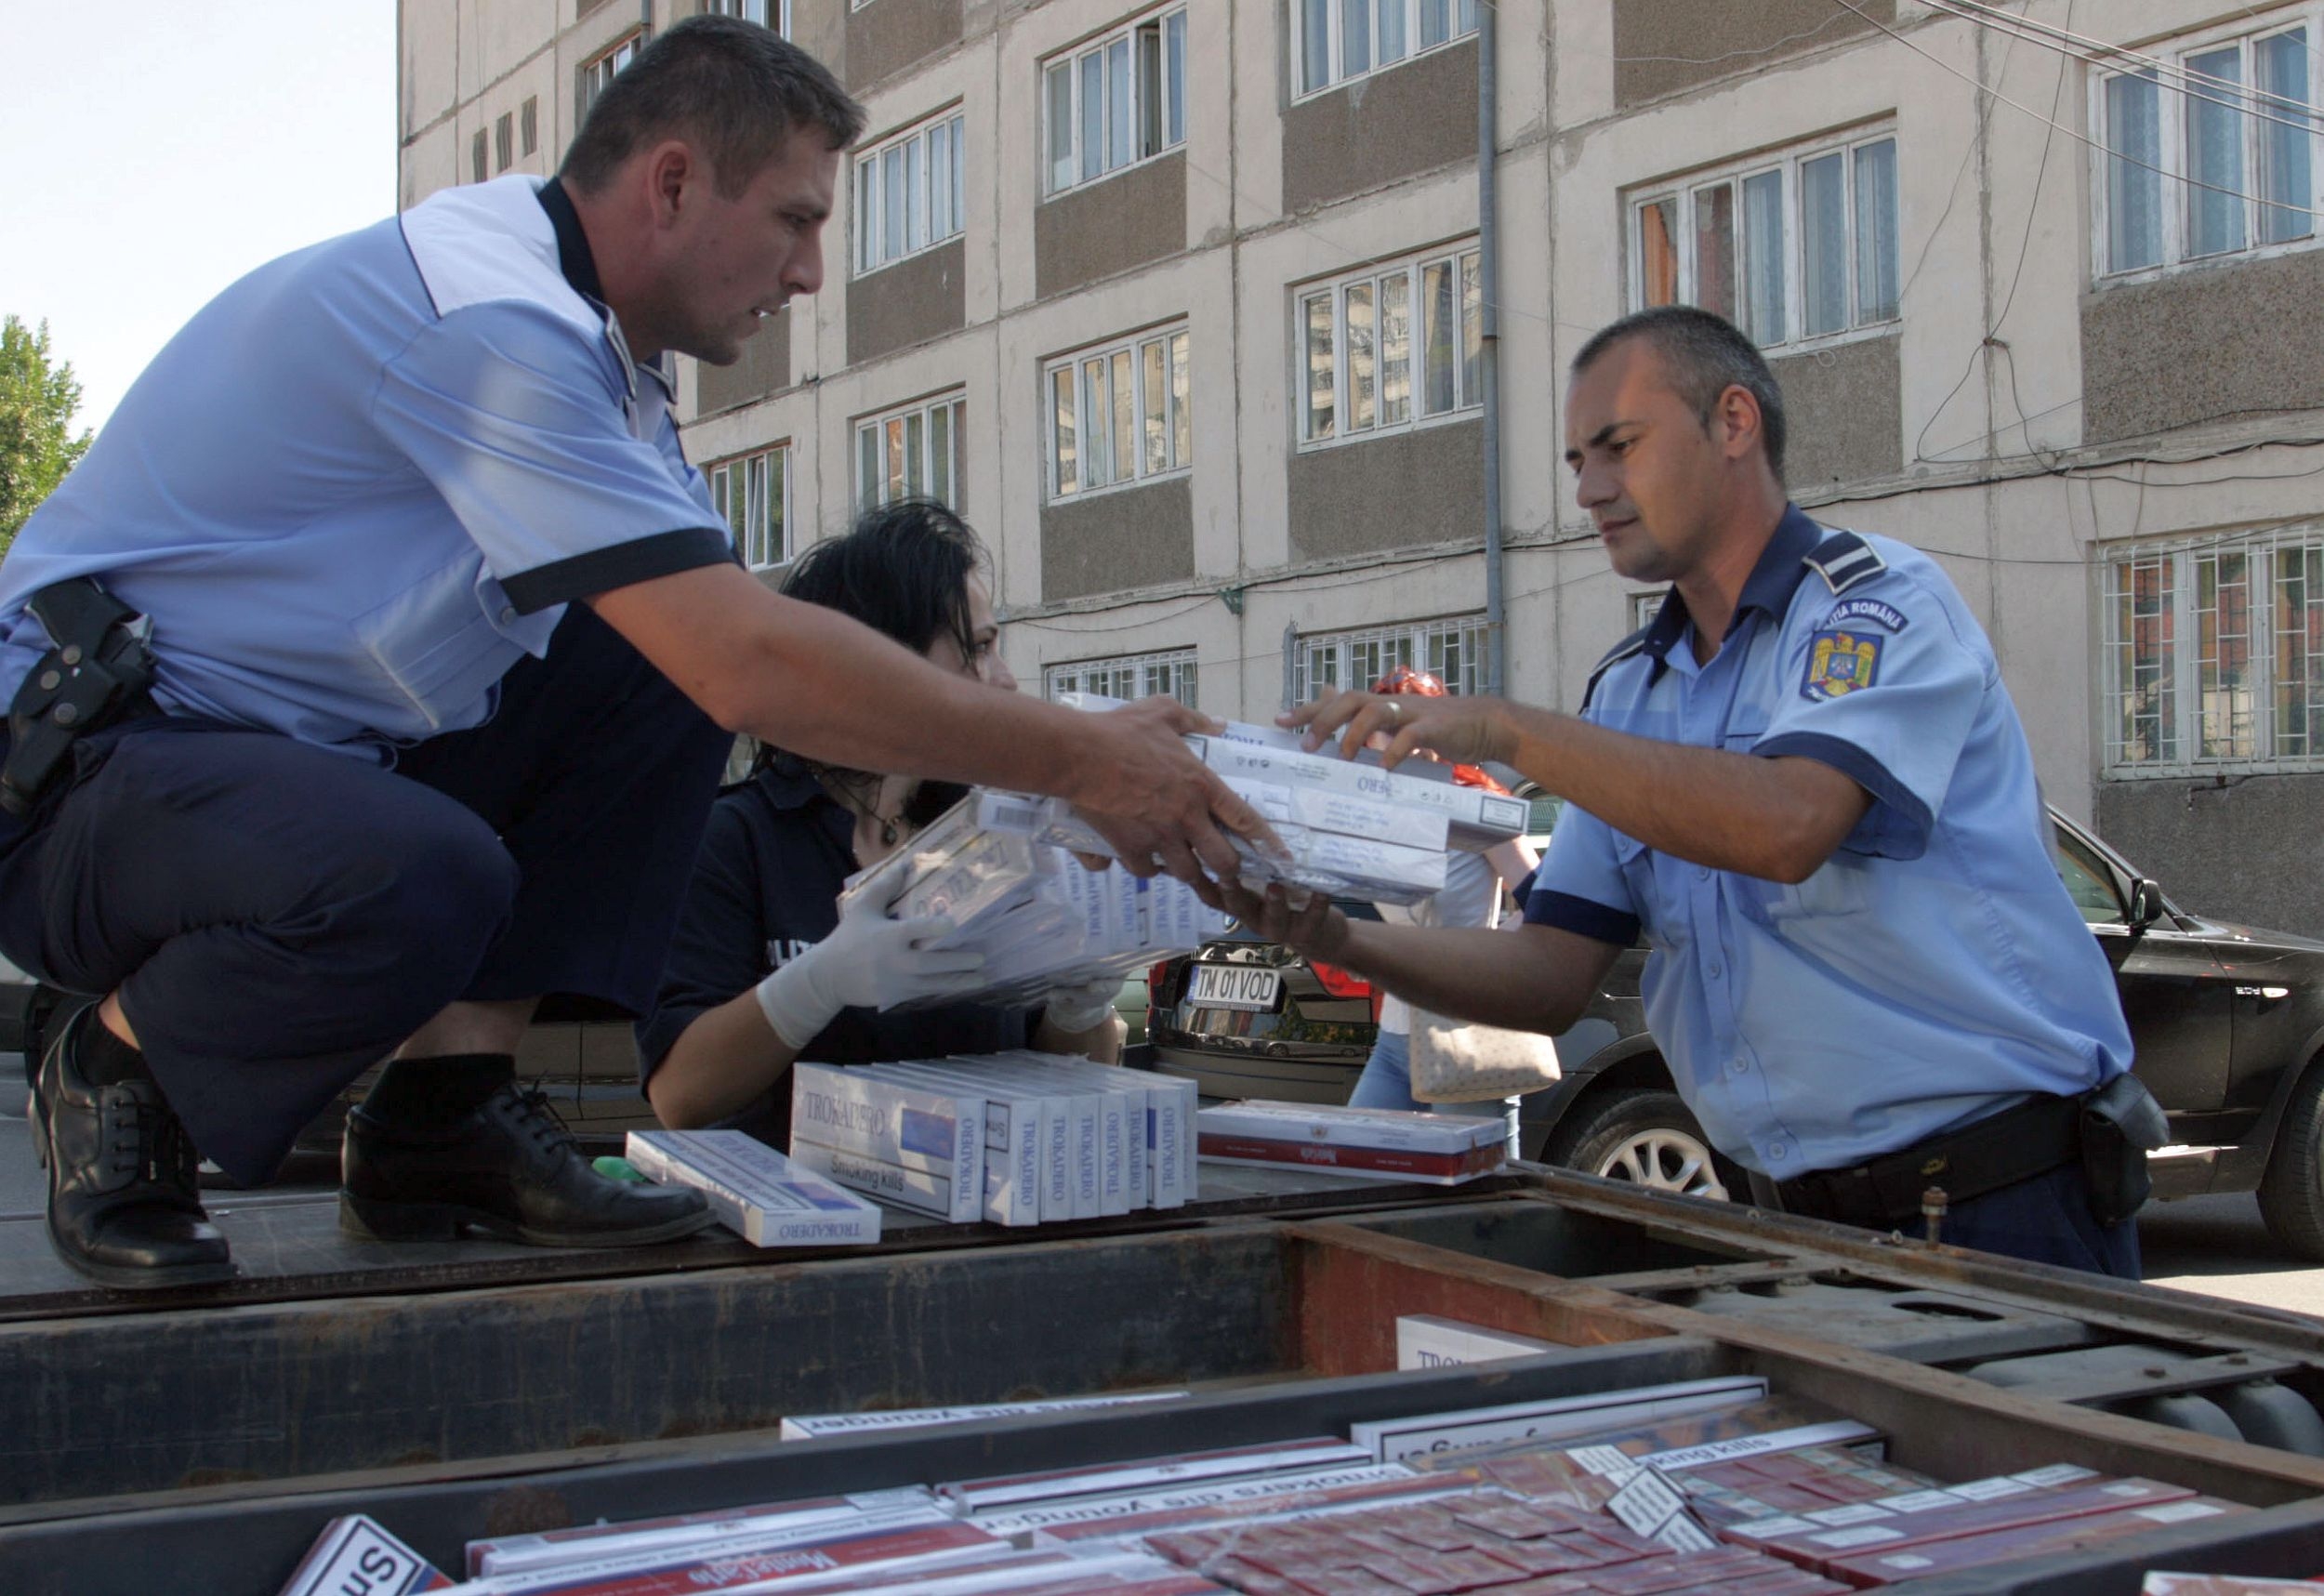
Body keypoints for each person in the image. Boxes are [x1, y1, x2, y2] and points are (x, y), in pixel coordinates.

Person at [0, 16, 1261, 1290]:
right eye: (794, 219)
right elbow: (752, 663)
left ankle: (443, 1116)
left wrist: (1066, 759)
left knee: (638, 661)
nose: (813, 272)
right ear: (670, 183)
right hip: (74, 772)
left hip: (260, 775)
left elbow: (713, 645)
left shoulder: (608, 369)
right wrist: (1083, 758)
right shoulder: (491, 325)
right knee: (432, 868)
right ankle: (115, 1065)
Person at [1234, 305, 2148, 1278]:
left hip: (1993, 1206)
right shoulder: (1633, 690)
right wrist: (1333, 937)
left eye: (1617, 447)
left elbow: (1789, 822)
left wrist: (1509, 728)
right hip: (1784, 1221)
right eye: (1575, 462)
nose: (1589, 489)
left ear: (1733, 423)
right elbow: (1549, 974)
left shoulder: (1877, 607)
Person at [639, 501, 1123, 1144]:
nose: (1003, 682)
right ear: (881, 664)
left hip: (980, 1220)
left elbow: (1062, 1075)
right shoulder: (736, 839)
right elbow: (680, 1095)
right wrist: (815, 984)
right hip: (807, 1228)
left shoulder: (993, 832)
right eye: (976, 649)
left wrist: (1083, 1002)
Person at [1345, 666, 1538, 1133]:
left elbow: (1548, 902)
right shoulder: (1378, 818)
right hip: (1396, 1036)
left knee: (1474, 1194)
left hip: (1465, 1034)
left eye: (1409, 725)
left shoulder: (1477, 807)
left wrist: (1489, 948)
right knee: (1357, 1163)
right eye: (1385, 729)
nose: (1399, 741)